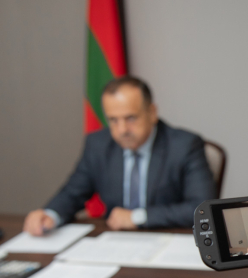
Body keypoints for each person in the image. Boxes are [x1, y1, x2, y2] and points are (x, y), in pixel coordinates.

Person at [23, 76, 216, 235]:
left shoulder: (184, 145)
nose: (122, 130)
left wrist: (137, 217)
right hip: (115, 241)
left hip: (167, 241)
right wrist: (50, 214)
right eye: (113, 120)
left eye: (130, 118)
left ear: (152, 112)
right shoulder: (98, 145)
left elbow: (201, 208)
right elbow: (73, 192)